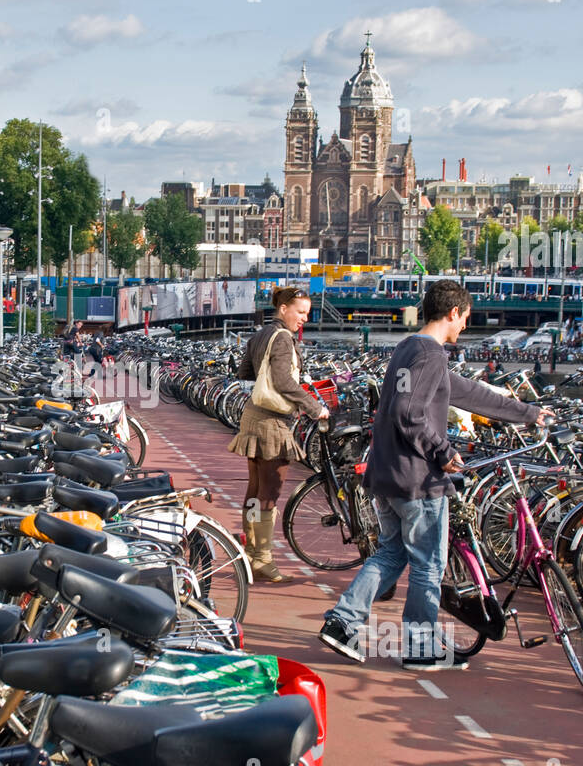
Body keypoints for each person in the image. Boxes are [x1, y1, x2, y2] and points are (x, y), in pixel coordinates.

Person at [318, 280, 553, 670]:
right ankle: (420, 647)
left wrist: (527, 412)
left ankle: (343, 622)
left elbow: (467, 392)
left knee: (392, 554)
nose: (464, 328)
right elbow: (408, 413)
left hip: (387, 473)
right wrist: (443, 452)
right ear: (453, 313)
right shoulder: (430, 355)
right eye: (465, 319)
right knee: (429, 563)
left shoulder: (410, 348)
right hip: (417, 478)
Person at [227, 286, 328, 583]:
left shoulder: (261, 334)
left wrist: (265, 372)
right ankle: (263, 558)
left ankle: (251, 552)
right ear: (283, 308)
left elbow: (244, 372)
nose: (304, 319)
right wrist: (314, 407)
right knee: (270, 492)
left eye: (307, 314)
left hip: (253, 418)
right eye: (300, 312)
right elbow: (284, 381)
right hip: (272, 422)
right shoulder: (283, 337)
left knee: (256, 489)